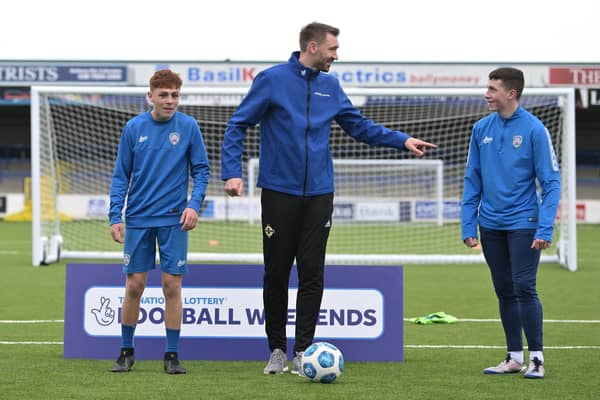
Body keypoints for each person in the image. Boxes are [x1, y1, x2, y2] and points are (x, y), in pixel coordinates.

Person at [221, 22, 437, 375]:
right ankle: (276, 349)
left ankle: (304, 349)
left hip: (320, 192)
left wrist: (402, 140)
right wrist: (232, 171)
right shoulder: (272, 80)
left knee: (312, 272)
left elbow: (359, 126)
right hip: (279, 191)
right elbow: (237, 124)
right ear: (312, 47)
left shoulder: (331, 86)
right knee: (276, 273)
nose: (337, 55)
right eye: (333, 49)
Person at [461, 67, 561, 379]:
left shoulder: (534, 129)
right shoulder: (481, 128)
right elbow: (472, 178)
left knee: (524, 287)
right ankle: (514, 356)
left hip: (524, 222)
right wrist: (468, 224)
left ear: (511, 93)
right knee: (504, 289)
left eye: (492, 89)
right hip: (490, 224)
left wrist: (545, 227)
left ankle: (537, 359)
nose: (486, 94)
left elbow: (551, 182)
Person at [108, 69, 210, 374]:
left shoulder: (189, 127)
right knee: (135, 285)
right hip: (138, 219)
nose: (170, 101)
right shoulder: (133, 128)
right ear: (150, 96)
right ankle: (126, 351)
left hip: (173, 221)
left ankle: (172, 355)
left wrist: (193, 206)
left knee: (171, 286)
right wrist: (116, 215)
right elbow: (120, 176)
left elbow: (202, 171)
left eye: (175, 95)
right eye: (163, 95)